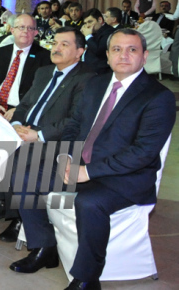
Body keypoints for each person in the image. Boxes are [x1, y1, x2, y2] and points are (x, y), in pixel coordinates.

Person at [12, 29, 175, 289]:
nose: (123, 55)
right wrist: (66, 157)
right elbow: (75, 125)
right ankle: (45, 248)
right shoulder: (96, 84)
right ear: (108, 56)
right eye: (117, 49)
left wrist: (88, 172)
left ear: (144, 57)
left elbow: (142, 153)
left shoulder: (158, 97)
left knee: (89, 202)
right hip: (80, 165)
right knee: (26, 173)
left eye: (132, 49)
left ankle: (87, 277)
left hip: (125, 177)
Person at [0, 27, 95, 242]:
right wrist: (16, 124)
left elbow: (74, 121)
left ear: (80, 52)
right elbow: (24, 105)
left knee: (18, 161)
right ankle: (3, 205)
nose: (56, 48)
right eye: (55, 43)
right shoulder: (43, 72)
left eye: (64, 44)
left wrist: (39, 135)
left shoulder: (87, 79)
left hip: (55, 140)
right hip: (25, 130)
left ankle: (19, 218)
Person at [0, 14, 52, 113]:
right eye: (21, 27)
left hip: (22, 110)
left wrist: (20, 110)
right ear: (12, 30)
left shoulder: (45, 57)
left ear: (36, 32)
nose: (25, 31)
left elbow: (43, 91)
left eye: (30, 28)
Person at [81, 8, 115, 75]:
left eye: (90, 22)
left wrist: (88, 36)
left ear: (100, 20)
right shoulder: (93, 32)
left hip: (100, 72)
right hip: (87, 68)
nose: (87, 25)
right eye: (85, 23)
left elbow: (99, 50)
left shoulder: (109, 31)